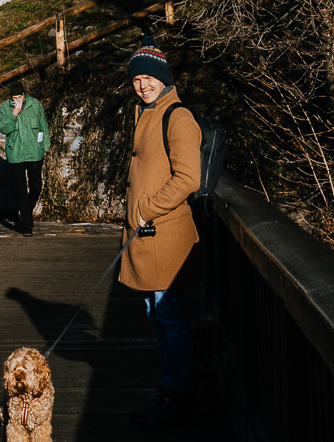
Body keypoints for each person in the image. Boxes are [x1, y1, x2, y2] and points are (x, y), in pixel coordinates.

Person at [118, 40, 201, 431]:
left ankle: (179, 398)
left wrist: (146, 207)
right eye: (137, 79)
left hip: (166, 237)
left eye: (149, 77)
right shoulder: (146, 111)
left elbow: (189, 178)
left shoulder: (177, 116)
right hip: (149, 239)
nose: (142, 85)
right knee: (160, 318)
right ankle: (169, 393)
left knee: (171, 319)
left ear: (164, 78)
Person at [0, 79, 49, 234]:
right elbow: (3, 128)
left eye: (20, 97)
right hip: (16, 153)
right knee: (20, 188)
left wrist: (45, 146)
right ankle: (27, 225)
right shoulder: (5, 108)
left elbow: (43, 125)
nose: (17, 100)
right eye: (14, 98)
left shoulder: (35, 104)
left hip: (34, 151)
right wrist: (14, 113)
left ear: (24, 95)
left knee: (36, 186)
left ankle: (25, 212)